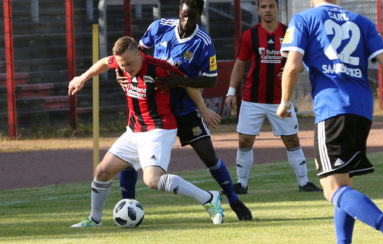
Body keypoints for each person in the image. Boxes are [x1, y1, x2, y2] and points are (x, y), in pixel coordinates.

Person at [277, 1, 383, 244]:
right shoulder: (362, 22)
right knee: (343, 182)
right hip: (362, 109)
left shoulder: (305, 18)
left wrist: (284, 101)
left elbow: (293, 65)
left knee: (332, 189)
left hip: (332, 108)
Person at [117, 0, 252, 220]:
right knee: (131, 155)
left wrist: (178, 81)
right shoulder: (159, 27)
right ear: (179, 11)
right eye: (184, 15)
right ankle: (128, 206)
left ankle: (234, 199)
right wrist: (120, 71)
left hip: (184, 109)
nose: (187, 21)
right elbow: (136, 53)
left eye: (192, 17)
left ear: (200, 14)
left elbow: (211, 80)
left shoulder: (203, 42)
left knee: (209, 156)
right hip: (154, 111)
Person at [68, 36, 224, 227]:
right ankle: (95, 219)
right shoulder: (120, 64)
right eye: (121, 65)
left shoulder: (158, 68)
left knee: (152, 179)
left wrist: (203, 109)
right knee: (102, 171)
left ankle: (209, 198)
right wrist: (82, 78)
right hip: (134, 130)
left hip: (159, 129)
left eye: (128, 64)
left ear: (138, 53)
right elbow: (103, 62)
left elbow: (187, 84)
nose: (125, 69)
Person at [225, 0, 321, 194]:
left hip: (281, 99)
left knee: (292, 140)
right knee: (244, 140)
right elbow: (240, 64)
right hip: (252, 99)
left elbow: (302, 61)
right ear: (259, 9)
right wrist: (231, 91)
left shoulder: (289, 32)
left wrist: (292, 70)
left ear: (277, 8)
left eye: (271, 6)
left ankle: (304, 183)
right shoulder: (249, 35)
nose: (267, 10)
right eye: (264, 6)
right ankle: (241, 185)